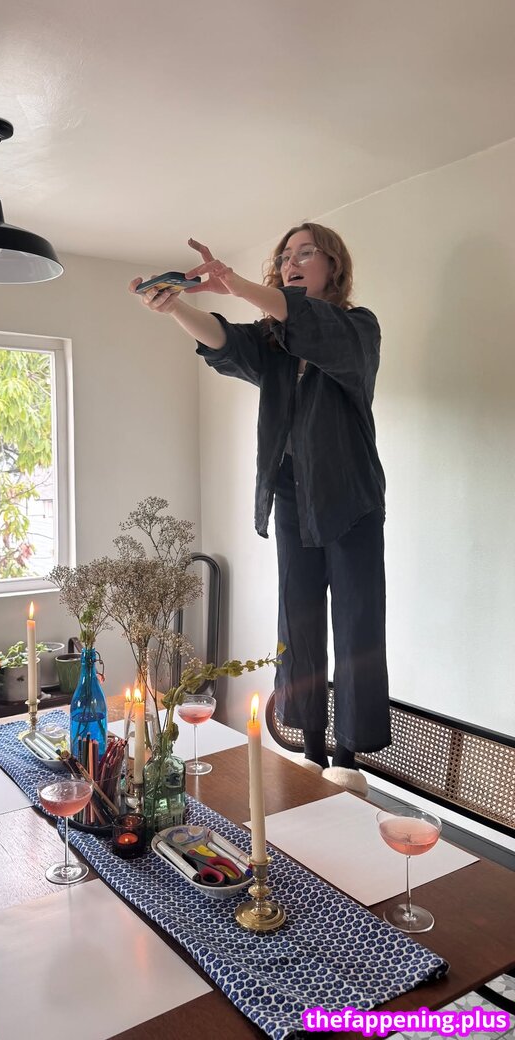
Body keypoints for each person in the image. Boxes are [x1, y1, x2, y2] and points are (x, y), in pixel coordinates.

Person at [128, 223, 391, 797]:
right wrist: (174, 307)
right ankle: (312, 754)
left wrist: (235, 283)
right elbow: (225, 341)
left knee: (357, 623)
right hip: (292, 494)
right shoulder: (274, 343)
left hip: (350, 496)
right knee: (297, 620)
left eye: (306, 253)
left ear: (333, 266)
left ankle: (347, 760)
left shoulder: (358, 328)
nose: (292, 261)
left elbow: (308, 323)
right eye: (285, 255)